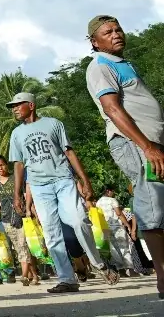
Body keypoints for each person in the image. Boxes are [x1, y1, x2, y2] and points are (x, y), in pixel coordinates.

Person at [7, 92, 119, 293]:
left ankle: (98, 262)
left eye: (18, 105)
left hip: (62, 180)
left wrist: (85, 180)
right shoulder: (16, 134)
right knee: (51, 233)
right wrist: (17, 195)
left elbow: (69, 152)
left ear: (31, 105)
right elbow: (19, 164)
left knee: (78, 220)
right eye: (12, 106)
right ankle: (67, 279)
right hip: (39, 186)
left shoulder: (53, 124)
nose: (14, 109)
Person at [86, 15, 164, 298]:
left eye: (118, 29)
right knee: (152, 204)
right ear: (95, 42)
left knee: (160, 203)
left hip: (150, 144)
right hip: (135, 144)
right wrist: (147, 146)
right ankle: (163, 278)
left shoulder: (123, 64)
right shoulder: (100, 66)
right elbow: (112, 109)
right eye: (108, 32)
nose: (116, 34)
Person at [0, 156, 38, 285]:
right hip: (6, 219)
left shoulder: (16, 178)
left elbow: (27, 193)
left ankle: (24, 276)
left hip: (21, 216)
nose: (1, 168)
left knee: (22, 245)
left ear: (7, 165)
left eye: (2, 165)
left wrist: (30, 210)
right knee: (18, 247)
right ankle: (34, 275)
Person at [96, 187, 136, 276]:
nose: (113, 192)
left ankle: (120, 269)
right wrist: (127, 225)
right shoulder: (112, 200)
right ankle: (130, 268)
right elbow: (119, 213)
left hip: (105, 228)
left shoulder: (98, 202)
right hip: (116, 226)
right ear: (107, 191)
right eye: (112, 190)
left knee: (112, 248)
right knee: (124, 246)